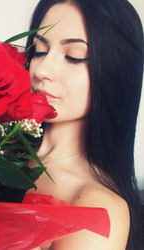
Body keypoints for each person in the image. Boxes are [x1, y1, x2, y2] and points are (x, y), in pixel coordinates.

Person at [24, 0, 144, 249]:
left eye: (74, 56)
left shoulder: (98, 206)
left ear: (114, 70)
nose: (43, 69)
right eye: (39, 51)